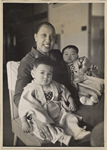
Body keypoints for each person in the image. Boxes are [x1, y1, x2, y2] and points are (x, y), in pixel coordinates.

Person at [14, 22, 78, 141]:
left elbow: (73, 67)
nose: (48, 40)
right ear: (35, 36)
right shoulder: (27, 62)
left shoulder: (58, 54)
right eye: (44, 35)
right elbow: (18, 97)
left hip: (70, 100)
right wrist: (36, 118)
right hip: (45, 111)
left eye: (52, 36)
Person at [18, 57, 91, 146]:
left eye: (49, 74)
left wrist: (71, 100)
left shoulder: (54, 84)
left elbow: (63, 90)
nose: (46, 77)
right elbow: (24, 105)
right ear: (33, 74)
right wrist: (24, 121)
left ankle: (79, 133)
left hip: (58, 114)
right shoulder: (30, 88)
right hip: (42, 117)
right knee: (44, 130)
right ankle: (62, 137)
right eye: (42, 73)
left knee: (69, 119)